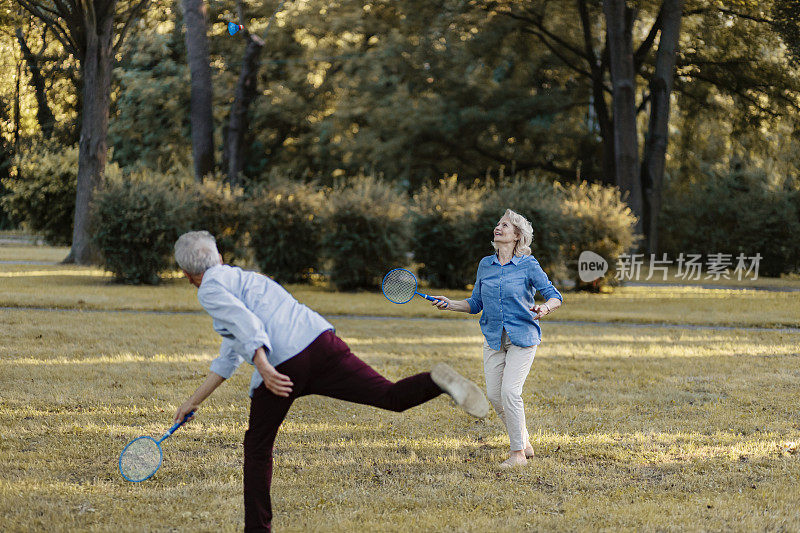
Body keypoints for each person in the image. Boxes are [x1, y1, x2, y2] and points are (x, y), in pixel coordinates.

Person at [171, 231, 489, 532]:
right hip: (321, 342)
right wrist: (192, 402)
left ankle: (257, 529)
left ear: (187, 274)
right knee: (390, 396)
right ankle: (437, 381)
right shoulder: (247, 279)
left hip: (284, 367)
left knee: (257, 447)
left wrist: (264, 365)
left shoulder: (210, 289)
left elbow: (247, 325)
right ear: (219, 256)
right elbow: (230, 351)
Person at [430, 209, 563, 468]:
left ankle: (517, 455)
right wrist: (451, 304)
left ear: (517, 236)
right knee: (494, 395)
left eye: (505, 225)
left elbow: (554, 295)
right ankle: (524, 441)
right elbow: (476, 302)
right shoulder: (485, 265)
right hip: (493, 337)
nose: (498, 228)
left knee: (510, 392)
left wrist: (544, 308)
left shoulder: (528, 265)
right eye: (498, 224)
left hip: (523, 337)